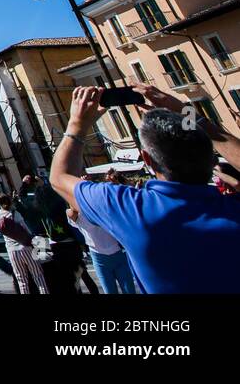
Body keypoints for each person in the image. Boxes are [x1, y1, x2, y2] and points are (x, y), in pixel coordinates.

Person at [50, 83, 240, 294]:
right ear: (211, 158)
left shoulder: (130, 208)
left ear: (147, 159)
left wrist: (77, 125)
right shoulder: (233, 208)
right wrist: (189, 115)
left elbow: (59, 177)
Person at [66, 205, 132, 294]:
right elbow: (71, 211)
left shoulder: (103, 204)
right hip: (100, 260)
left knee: (130, 291)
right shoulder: (74, 213)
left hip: (119, 255)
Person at [0, 193, 47, 294]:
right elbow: (27, 231)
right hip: (25, 247)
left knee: (21, 280)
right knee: (38, 276)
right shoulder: (15, 214)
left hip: (12, 251)